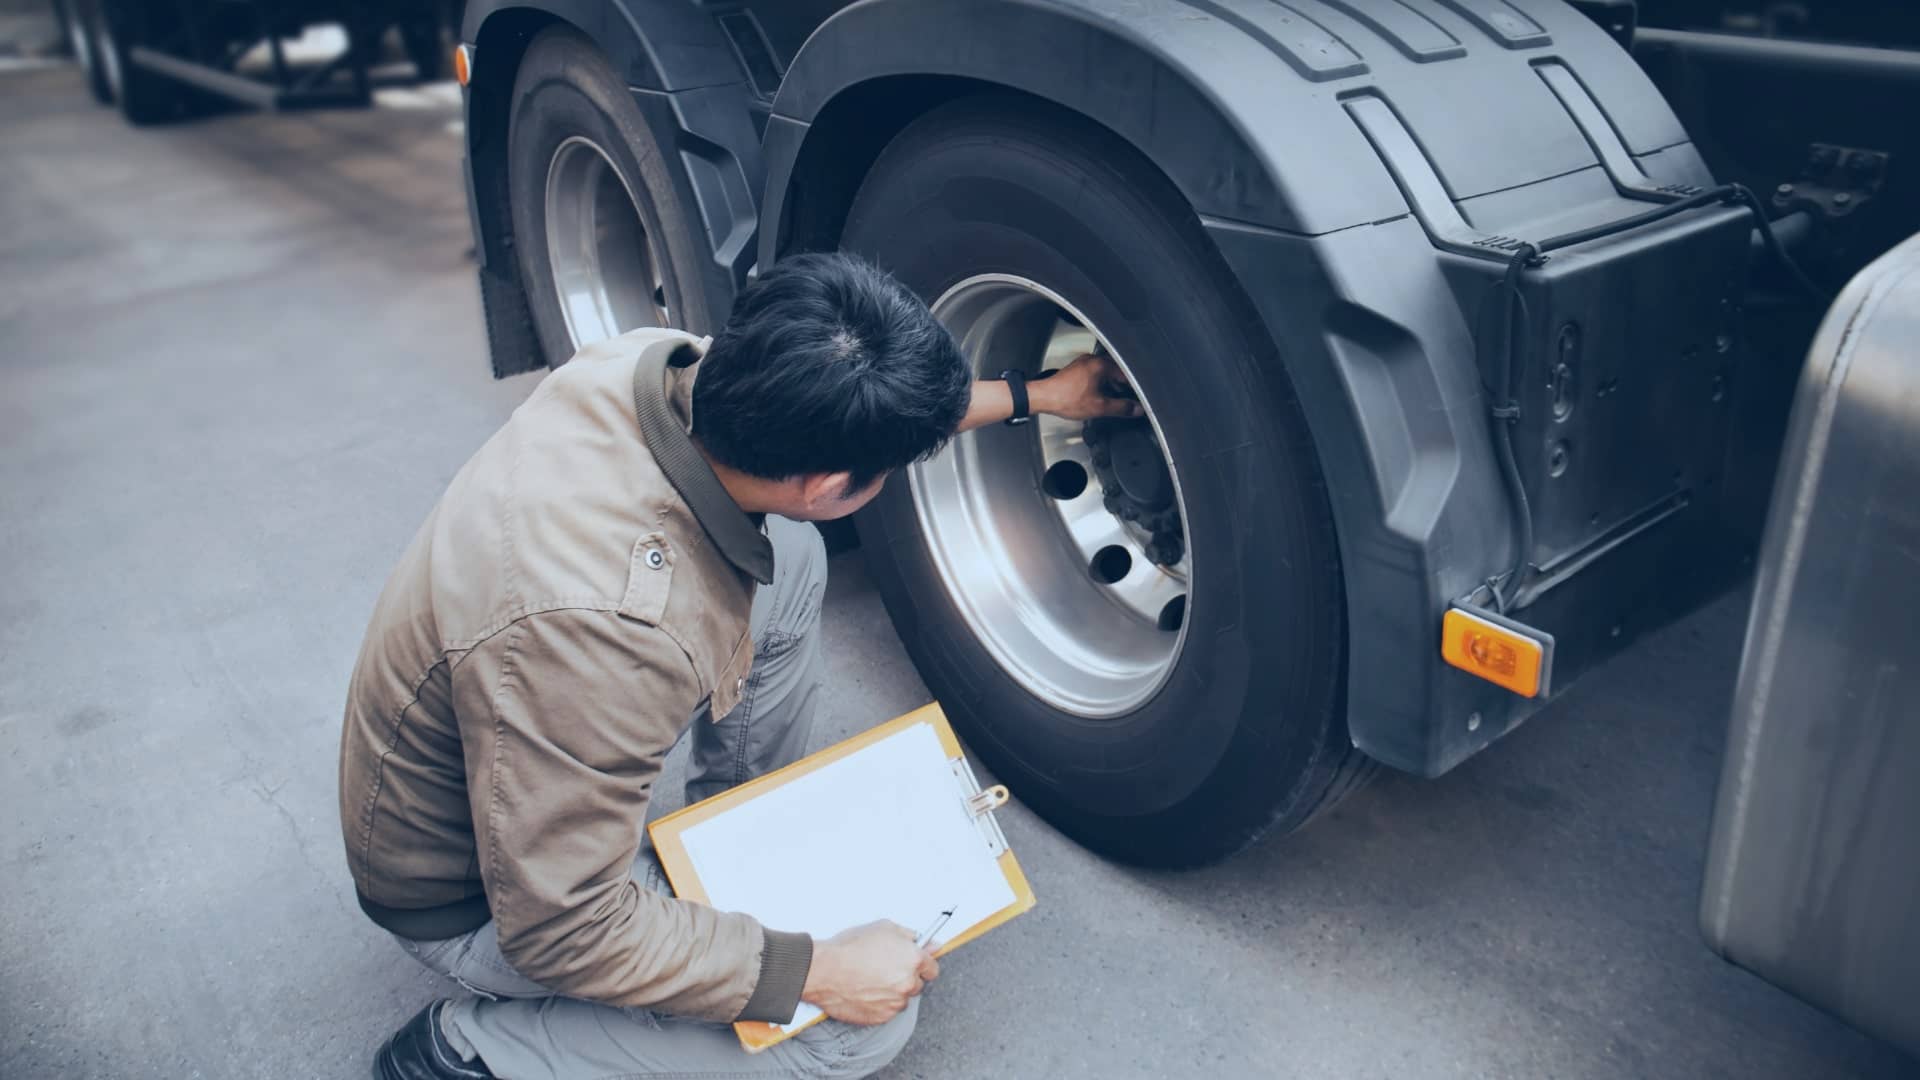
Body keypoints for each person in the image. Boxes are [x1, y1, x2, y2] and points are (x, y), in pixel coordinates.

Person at [338, 252, 1141, 1080]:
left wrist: (1039, 395)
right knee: (854, 1032)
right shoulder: (607, 631)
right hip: (474, 904)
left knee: (785, 556)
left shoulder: (652, 363)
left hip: (513, 750)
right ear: (830, 485)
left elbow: (855, 410)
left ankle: (733, 834)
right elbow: (561, 929)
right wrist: (819, 972)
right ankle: (474, 1050)